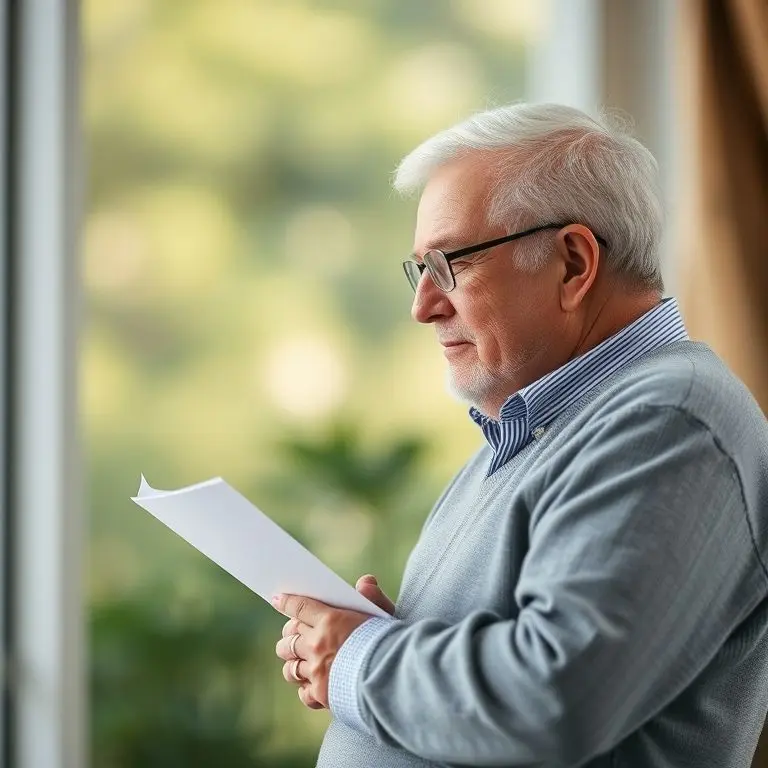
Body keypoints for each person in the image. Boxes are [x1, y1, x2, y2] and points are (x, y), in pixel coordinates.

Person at [272, 103, 768, 767]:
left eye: (450, 264)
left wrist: (359, 658)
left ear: (572, 263)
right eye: (418, 269)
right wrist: (385, 642)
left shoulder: (669, 424)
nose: (423, 306)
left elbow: (557, 701)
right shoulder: (540, 430)